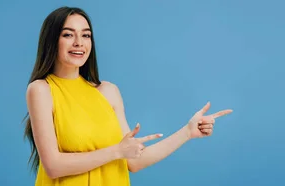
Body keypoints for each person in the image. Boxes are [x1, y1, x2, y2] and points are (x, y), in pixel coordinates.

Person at [22, 6, 233, 186]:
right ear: (51, 40)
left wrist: (188, 132)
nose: (79, 42)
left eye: (86, 35)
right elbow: (53, 166)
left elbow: (134, 162)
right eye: (68, 34)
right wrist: (116, 151)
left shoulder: (108, 91)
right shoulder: (41, 90)